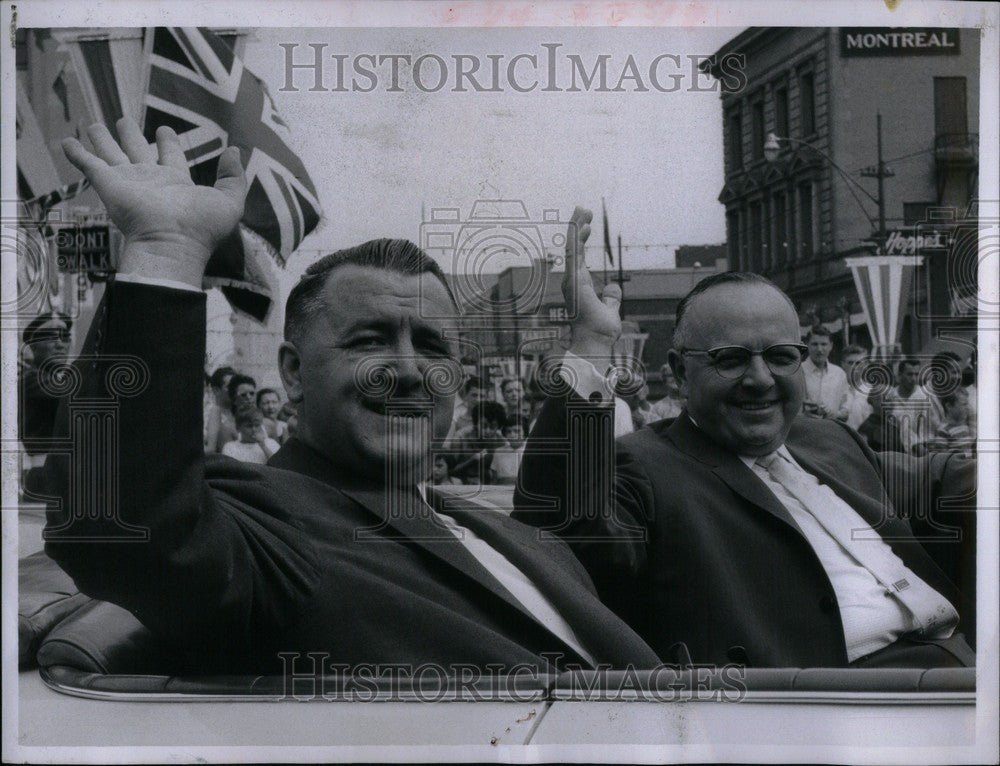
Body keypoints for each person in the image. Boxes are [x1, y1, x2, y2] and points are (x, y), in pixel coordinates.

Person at [42, 119, 658, 675]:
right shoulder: (269, 524)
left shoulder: (507, 531)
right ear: (293, 373)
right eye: (369, 342)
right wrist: (165, 251)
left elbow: (577, 526)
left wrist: (592, 348)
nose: (410, 372)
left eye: (433, 347)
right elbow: (121, 524)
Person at [514, 206, 974, 669]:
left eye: (779, 356)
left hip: (964, 660)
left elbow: (950, 482)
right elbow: (558, 532)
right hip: (838, 703)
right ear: (679, 372)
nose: (760, 379)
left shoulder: (830, 440)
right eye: (730, 359)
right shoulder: (644, 469)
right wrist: (591, 344)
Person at [885, 357, 937, 456]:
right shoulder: (890, 397)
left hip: (923, 450)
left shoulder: (925, 396)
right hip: (895, 451)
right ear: (900, 375)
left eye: (916, 374)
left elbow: (932, 425)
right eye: (909, 374)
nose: (913, 379)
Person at [451, 401, 508, 484]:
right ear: (475, 423)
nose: (488, 431)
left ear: (499, 426)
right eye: (484, 426)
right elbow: (450, 472)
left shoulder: (502, 442)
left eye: (492, 427)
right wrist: (472, 460)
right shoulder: (461, 437)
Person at [800, 326, 848, 421]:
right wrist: (803, 414)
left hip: (833, 429)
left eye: (824, 344)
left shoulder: (839, 374)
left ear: (831, 346)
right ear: (807, 345)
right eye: (814, 344)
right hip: (806, 429)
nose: (819, 349)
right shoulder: (798, 370)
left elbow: (846, 409)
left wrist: (835, 414)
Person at [204, 366, 237, 454]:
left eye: (236, 385)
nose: (235, 390)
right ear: (216, 390)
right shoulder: (208, 414)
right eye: (230, 386)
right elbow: (210, 449)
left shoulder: (239, 412)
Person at [840, 344, 873, 431]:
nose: (855, 367)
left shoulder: (872, 392)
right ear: (843, 364)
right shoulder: (835, 389)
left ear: (866, 365)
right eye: (850, 363)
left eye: (858, 363)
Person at [492, 415, 529, 485]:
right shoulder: (498, 452)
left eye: (517, 431)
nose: (512, 435)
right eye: (509, 431)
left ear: (525, 433)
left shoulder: (530, 452)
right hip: (501, 490)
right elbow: (495, 479)